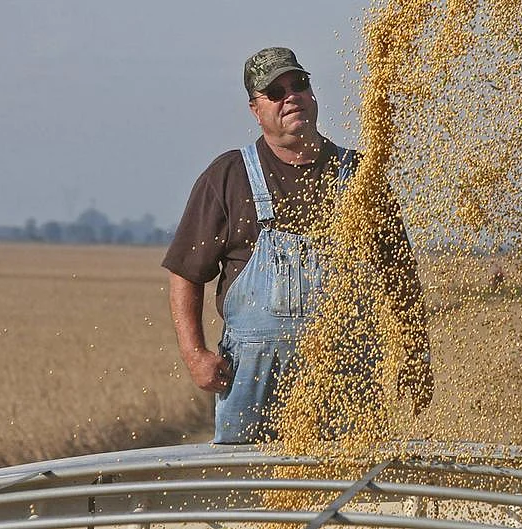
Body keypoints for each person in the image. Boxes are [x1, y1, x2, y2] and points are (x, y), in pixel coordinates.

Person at [162, 47, 432, 444]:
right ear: (256, 109)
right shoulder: (229, 176)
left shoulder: (360, 176)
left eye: (299, 84)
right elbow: (186, 273)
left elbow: (400, 275)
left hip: (347, 372)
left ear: (312, 94)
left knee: (351, 492)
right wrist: (194, 354)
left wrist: (414, 352)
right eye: (275, 91)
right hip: (254, 379)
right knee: (250, 493)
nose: (291, 96)